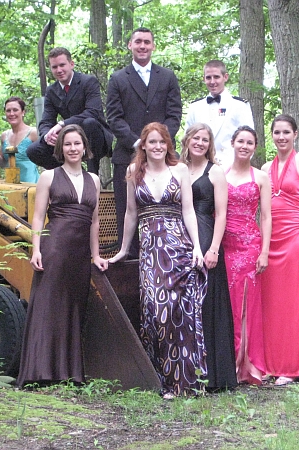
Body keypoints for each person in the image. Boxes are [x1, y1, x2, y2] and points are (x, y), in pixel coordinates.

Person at [109, 122, 206, 399]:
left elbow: (189, 211)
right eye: (152, 142)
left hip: (178, 248)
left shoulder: (180, 170)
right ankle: (160, 379)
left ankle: (184, 382)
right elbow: (130, 214)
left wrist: (198, 247)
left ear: (168, 145)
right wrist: (123, 250)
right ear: (143, 145)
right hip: (150, 251)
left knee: (178, 313)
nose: (157, 147)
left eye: (162, 142)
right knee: (155, 311)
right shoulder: (132, 172)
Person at [17, 125, 108, 386]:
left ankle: (69, 372)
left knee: (73, 308)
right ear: (61, 148)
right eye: (68, 144)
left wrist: (96, 255)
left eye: (77, 143)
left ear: (84, 147)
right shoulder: (48, 177)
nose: (73, 149)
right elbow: (37, 216)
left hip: (80, 254)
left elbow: (94, 221)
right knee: (49, 306)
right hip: (54, 247)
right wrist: (35, 249)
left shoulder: (95, 180)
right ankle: (41, 371)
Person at [106, 27, 182, 258]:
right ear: (130, 45)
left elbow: (174, 113)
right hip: (127, 153)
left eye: (147, 42)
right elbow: (114, 117)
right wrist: (139, 143)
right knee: (126, 211)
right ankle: (127, 259)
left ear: (153, 46)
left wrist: (158, 143)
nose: (142, 46)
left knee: (168, 206)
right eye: (138, 41)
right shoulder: (118, 78)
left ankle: (167, 255)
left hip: (163, 156)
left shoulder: (167, 77)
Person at [180, 123, 237, 391]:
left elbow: (222, 214)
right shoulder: (176, 168)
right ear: (187, 140)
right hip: (178, 241)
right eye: (196, 138)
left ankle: (213, 374)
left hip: (206, 238)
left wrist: (214, 248)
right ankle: (186, 373)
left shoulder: (215, 172)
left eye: (205, 139)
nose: (200, 143)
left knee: (207, 307)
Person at [260, 114, 299, 386]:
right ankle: (272, 363)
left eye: (286, 132)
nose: (281, 137)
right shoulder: (263, 167)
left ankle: (293, 366)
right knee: (272, 304)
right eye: (277, 132)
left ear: (296, 135)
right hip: (270, 240)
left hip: (295, 236)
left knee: (294, 304)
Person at [222, 125, 271, 385]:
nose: (244, 146)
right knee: (229, 303)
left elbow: (266, 216)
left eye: (249, 143)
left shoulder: (261, 177)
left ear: (254, 147)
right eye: (240, 141)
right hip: (227, 247)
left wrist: (265, 251)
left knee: (248, 305)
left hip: (251, 245)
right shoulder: (221, 173)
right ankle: (229, 361)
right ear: (232, 143)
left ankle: (249, 364)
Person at [26, 47, 113, 174]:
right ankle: (71, 174)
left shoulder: (88, 81)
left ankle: (92, 176)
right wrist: (47, 136)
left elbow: (93, 112)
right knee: (33, 150)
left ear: (71, 64)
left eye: (62, 65)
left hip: (95, 136)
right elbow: (46, 122)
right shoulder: (51, 91)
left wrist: (62, 124)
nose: (59, 70)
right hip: (68, 137)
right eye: (54, 67)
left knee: (90, 123)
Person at [185, 60, 254, 170]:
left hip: (230, 168)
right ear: (204, 79)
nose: (212, 81)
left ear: (225, 77)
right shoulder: (195, 107)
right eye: (208, 77)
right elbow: (187, 141)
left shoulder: (239, 105)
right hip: (200, 168)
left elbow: (249, 141)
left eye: (216, 77)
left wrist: (237, 169)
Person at [0, 96, 39, 183]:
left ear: (23, 112)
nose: (11, 114)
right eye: (8, 110)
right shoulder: (4, 135)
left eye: (15, 110)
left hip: (31, 183)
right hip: (11, 182)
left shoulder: (33, 133)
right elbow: (3, 163)